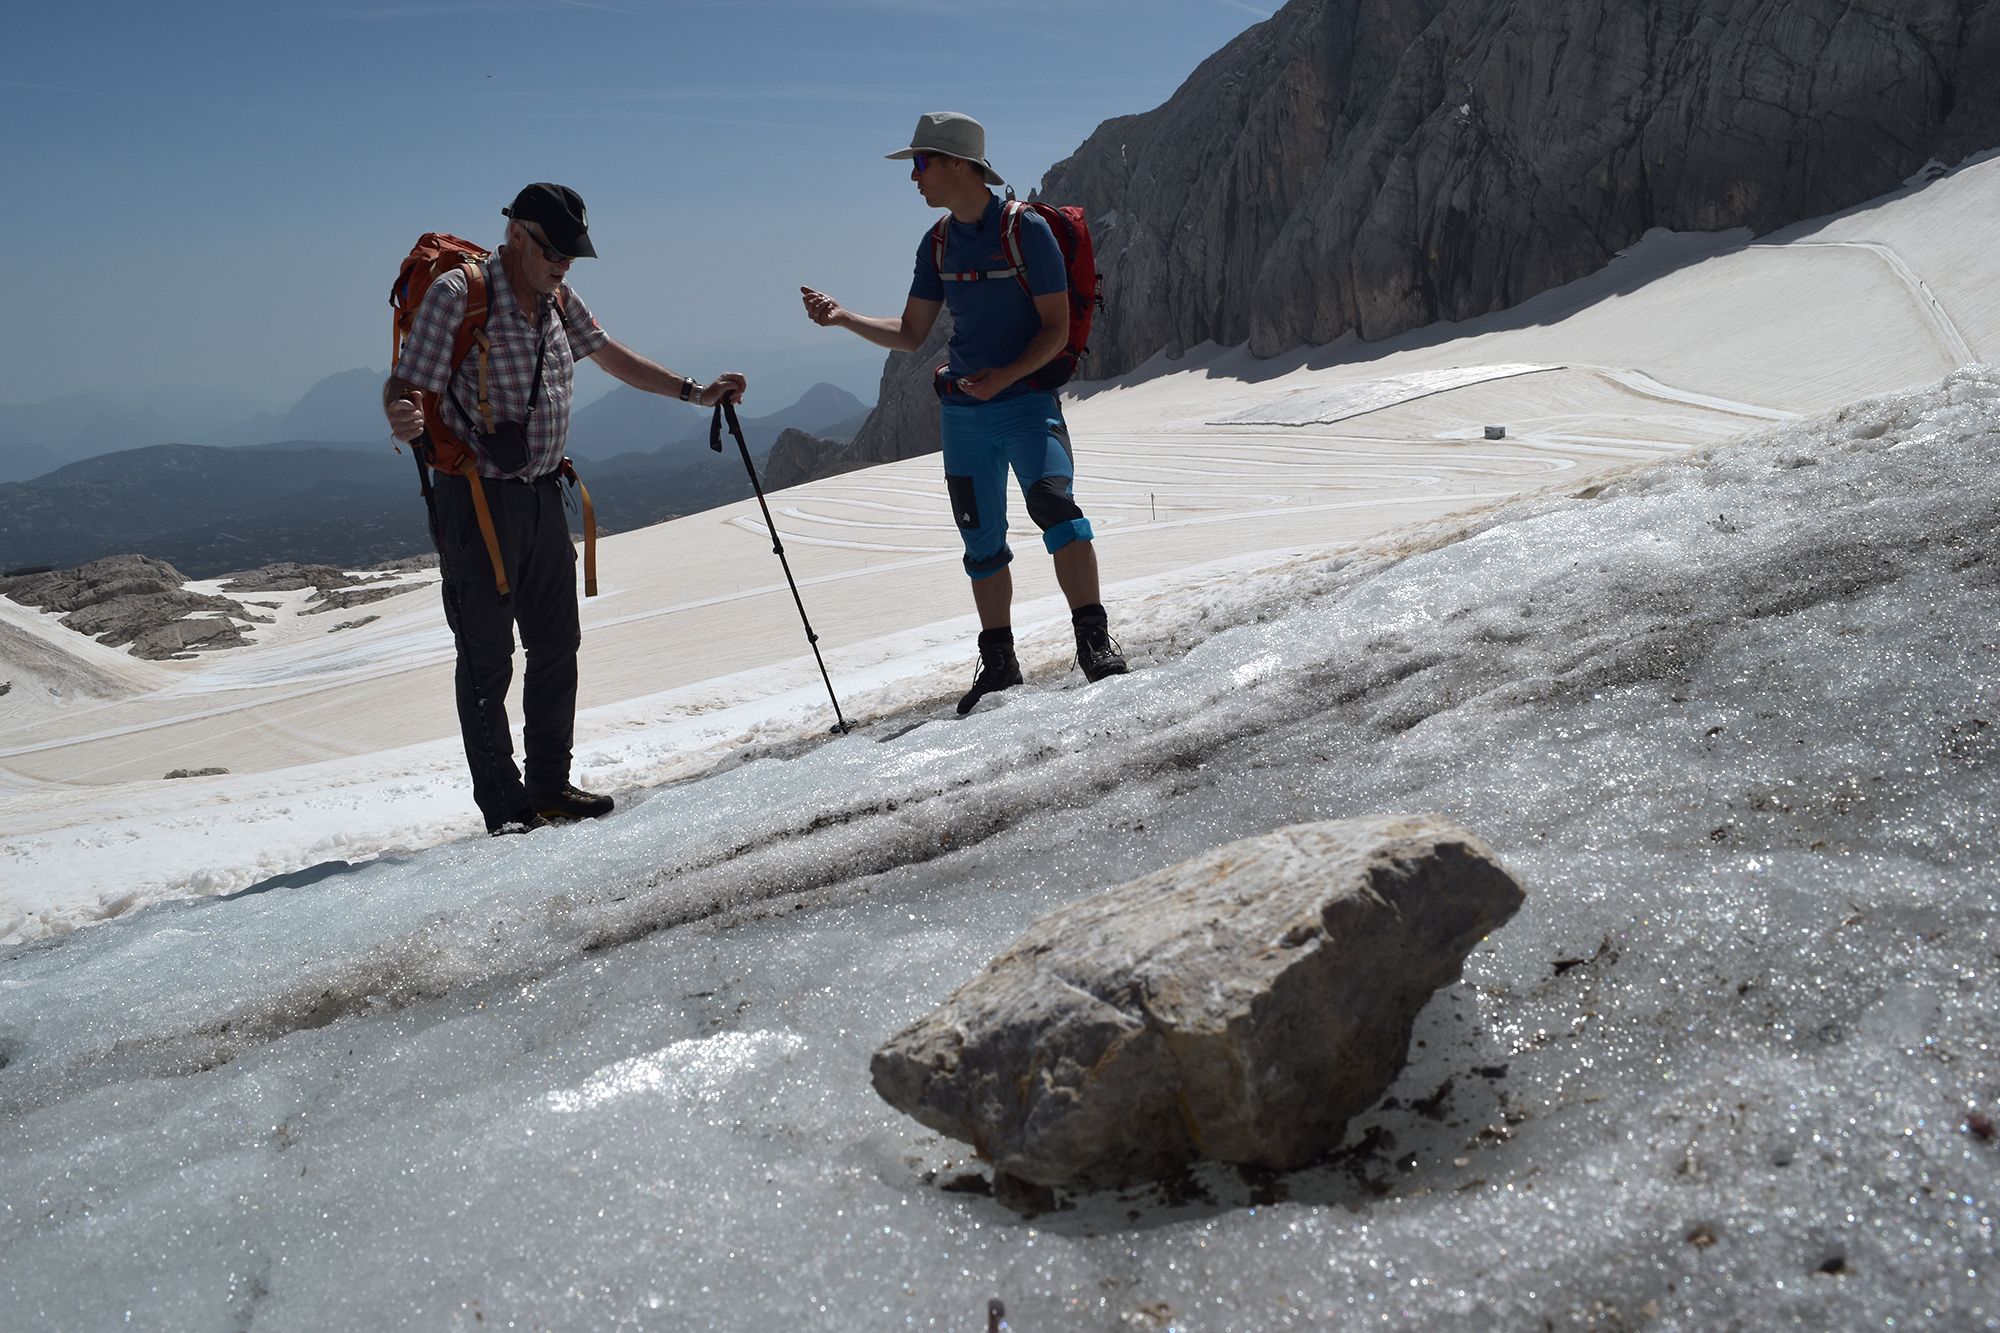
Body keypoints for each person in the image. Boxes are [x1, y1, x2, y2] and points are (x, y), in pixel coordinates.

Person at [384, 183, 746, 834]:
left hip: (544, 490)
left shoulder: (557, 299)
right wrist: (400, 410)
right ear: (517, 237)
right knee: (487, 658)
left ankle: (549, 785)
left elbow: (609, 355)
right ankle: (506, 806)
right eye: (555, 251)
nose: (564, 265)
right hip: (476, 500)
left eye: (572, 254)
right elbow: (408, 379)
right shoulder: (457, 296)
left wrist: (696, 392)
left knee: (556, 643)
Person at [800, 112, 1128, 715]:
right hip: (967, 414)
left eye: (921, 164)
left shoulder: (1025, 230)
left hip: (1025, 404)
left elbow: (1056, 331)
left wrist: (1004, 376)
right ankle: (1001, 666)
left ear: (958, 165)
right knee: (980, 537)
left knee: (1057, 509)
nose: (915, 178)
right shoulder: (939, 244)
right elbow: (909, 332)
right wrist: (843, 317)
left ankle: (1094, 644)